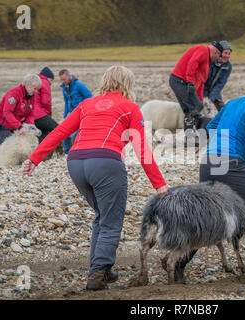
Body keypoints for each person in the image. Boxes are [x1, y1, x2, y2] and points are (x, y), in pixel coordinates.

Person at [23, 66, 168, 291]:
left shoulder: (86, 104)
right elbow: (142, 149)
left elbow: (60, 132)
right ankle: (98, 276)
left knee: (101, 215)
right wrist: (159, 185)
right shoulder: (130, 107)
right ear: (127, 84)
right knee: (111, 221)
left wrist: (34, 159)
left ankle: (100, 270)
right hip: (105, 163)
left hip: (76, 162)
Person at [170, 73, 245, 281]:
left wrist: (217, 150)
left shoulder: (233, 103)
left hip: (209, 162)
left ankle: (178, 264)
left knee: (208, 217)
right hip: (232, 165)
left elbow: (211, 127)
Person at [169, 41, 223, 132]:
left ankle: (190, 135)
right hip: (179, 81)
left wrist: (200, 98)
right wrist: (190, 82)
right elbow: (192, 62)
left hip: (183, 83)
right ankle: (196, 130)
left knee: (192, 108)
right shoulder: (203, 50)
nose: (218, 59)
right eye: (219, 56)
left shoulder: (207, 62)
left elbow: (201, 82)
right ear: (216, 52)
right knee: (194, 107)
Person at [0, 74, 41, 144]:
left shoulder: (31, 95)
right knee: (10, 145)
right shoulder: (14, 94)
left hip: (13, 123)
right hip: (0, 123)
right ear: (28, 85)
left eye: (37, 89)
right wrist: (19, 127)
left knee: (21, 143)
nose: (36, 91)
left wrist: (29, 126)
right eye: (35, 88)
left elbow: (31, 113)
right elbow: (7, 112)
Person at [59, 69, 93, 153]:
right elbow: (66, 102)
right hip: (70, 113)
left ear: (68, 76)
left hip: (81, 113)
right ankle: (67, 152)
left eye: (64, 79)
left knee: (75, 135)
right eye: (61, 79)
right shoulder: (64, 87)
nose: (63, 81)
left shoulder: (79, 85)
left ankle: (77, 151)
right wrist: (65, 116)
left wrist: (87, 111)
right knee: (64, 132)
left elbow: (90, 97)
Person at [203, 40, 233, 112]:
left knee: (224, 110)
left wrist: (211, 98)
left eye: (229, 53)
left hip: (215, 92)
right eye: (225, 53)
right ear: (219, 52)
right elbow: (203, 80)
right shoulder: (210, 61)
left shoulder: (228, 66)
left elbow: (220, 84)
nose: (227, 56)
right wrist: (204, 97)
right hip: (202, 89)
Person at [32, 67, 59, 143]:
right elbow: (46, 101)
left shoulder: (34, 82)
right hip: (39, 114)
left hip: (31, 116)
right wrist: (49, 115)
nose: (50, 83)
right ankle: (65, 150)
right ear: (48, 77)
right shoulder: (44, 82)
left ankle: (40, 153)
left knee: (42, 135)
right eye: (51, 80)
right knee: (59, 130)